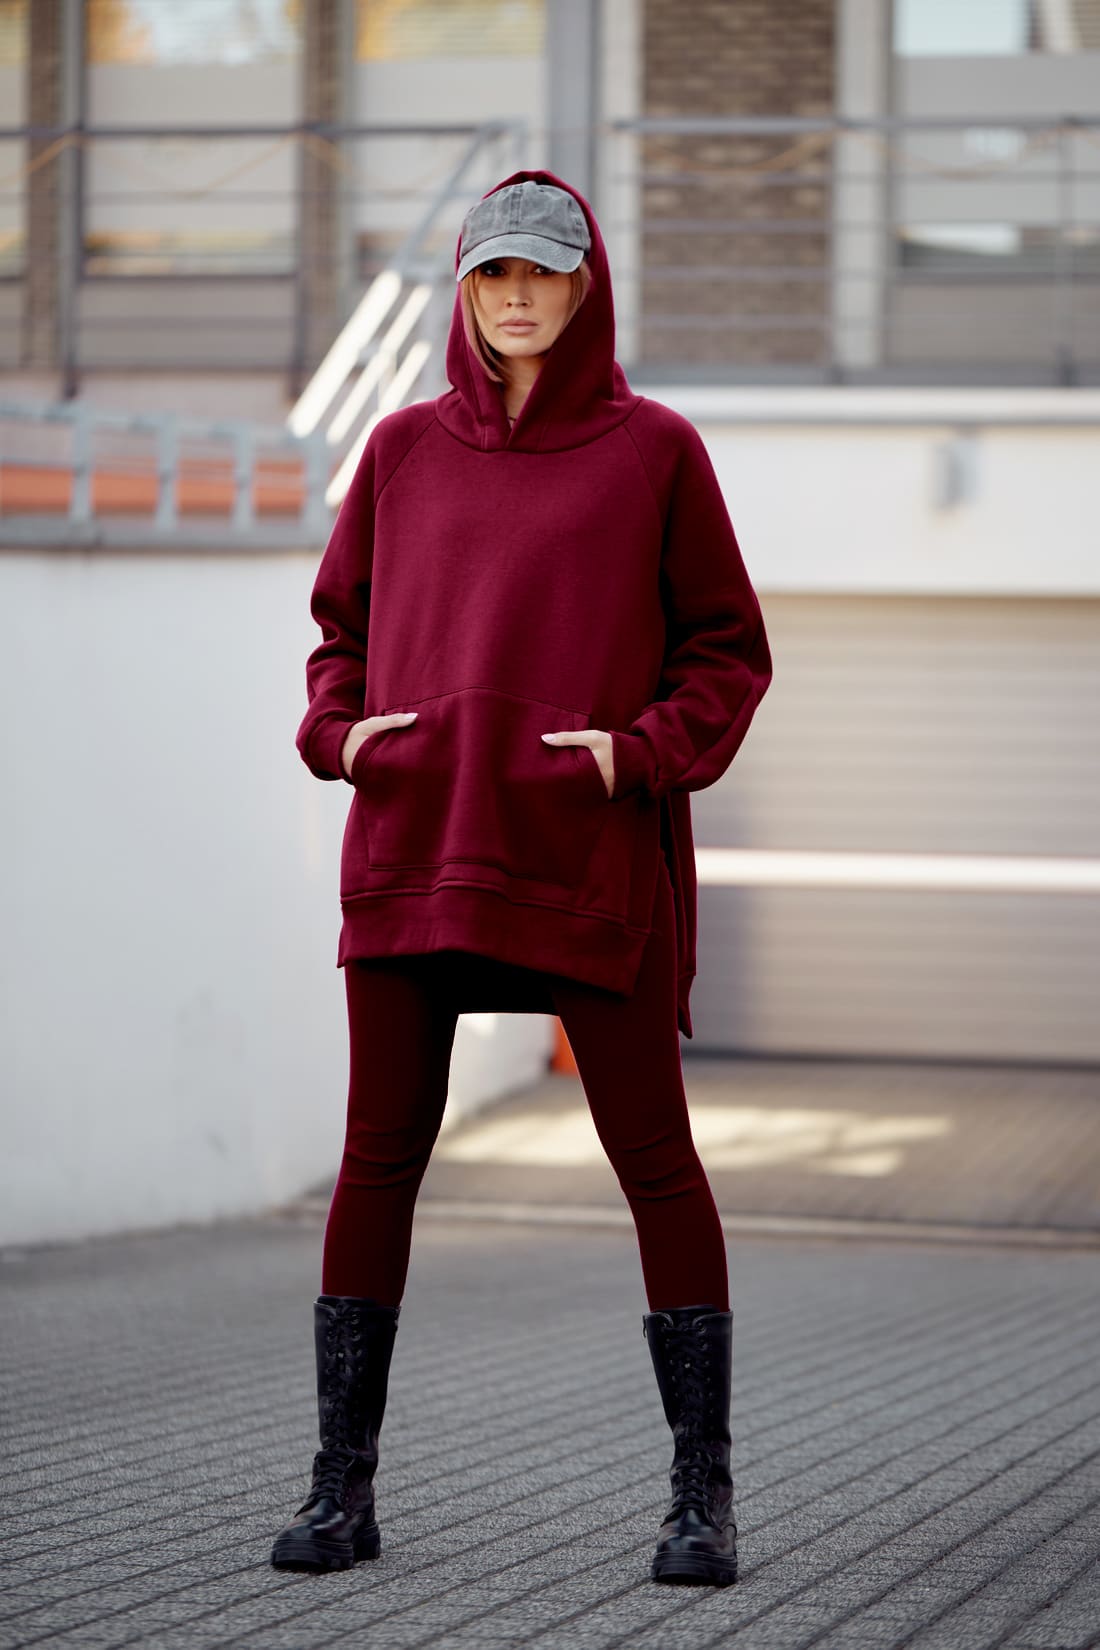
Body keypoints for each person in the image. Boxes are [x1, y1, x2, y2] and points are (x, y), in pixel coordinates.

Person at [270, 169, 772, 1588]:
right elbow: (334, 638)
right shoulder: (401, 451)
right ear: (466, 291)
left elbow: (728, 654)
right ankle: (340, 1486)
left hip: (581, 848)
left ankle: (703, 1498)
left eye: (543, 274)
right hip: (418, 845)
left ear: (587, 282)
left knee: (655, 1163)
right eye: (494, 275)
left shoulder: (656, 452)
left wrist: (635, 755)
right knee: (380, 1158)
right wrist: (335, 733)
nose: (517, 298)